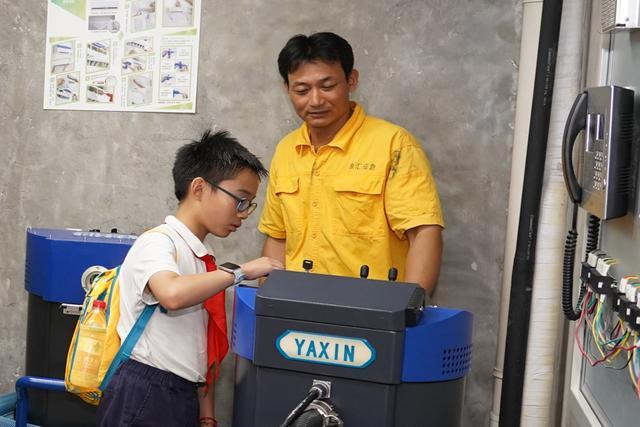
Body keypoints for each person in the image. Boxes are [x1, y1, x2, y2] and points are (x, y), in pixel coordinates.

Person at [96, 130, 283, 427]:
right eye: (240, 200)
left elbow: (197, 343)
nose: (244, 213)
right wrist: (242, 271)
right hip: (146, 389)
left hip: (180, 394)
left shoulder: (202, 256)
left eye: (249, 204)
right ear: (199, 188)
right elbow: (171, 293)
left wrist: (205, 411)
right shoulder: (158, 243)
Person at [258, 32, 444, 295]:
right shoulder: (287, 150)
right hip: (297, 308)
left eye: (327, 86)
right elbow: (278, 236)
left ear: (351, 80)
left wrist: (409, 312)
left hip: (371, 310)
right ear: (286, 89)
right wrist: (269, 303)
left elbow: (424, 231)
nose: (315, 100)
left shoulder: (393, 144)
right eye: (302, 90)